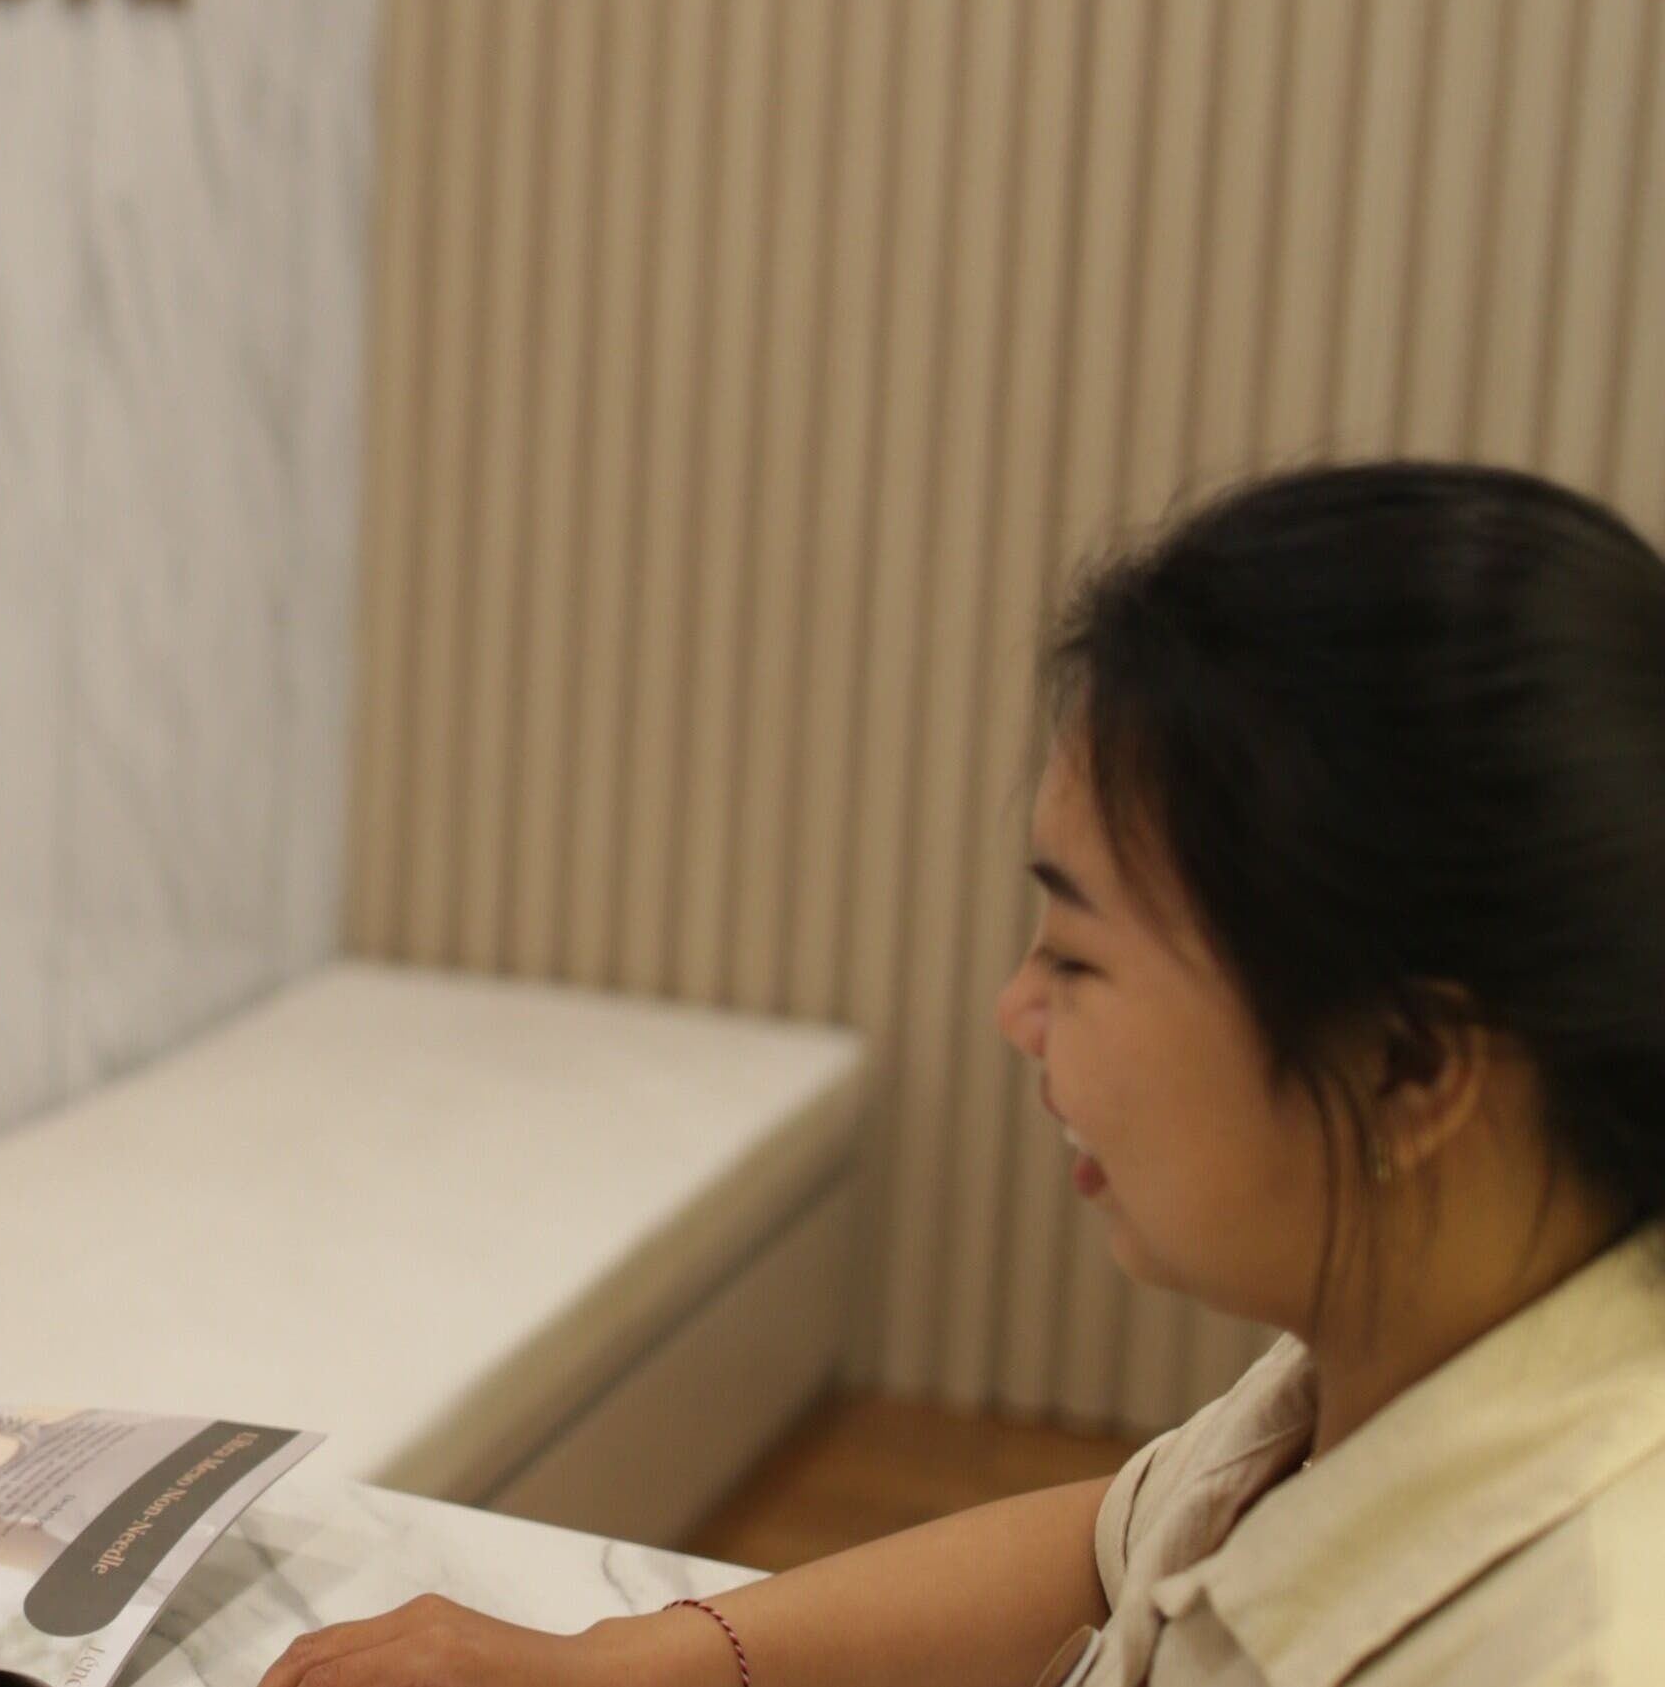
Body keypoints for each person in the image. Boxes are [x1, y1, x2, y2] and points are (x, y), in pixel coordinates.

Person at [259, 463, 1665, 1687]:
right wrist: (632, 1659)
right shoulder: (1413, 1350)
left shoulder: (1577, 1641)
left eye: (1080, 957)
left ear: (1409, 1064)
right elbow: (1122, 1539)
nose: (1016, 1010)